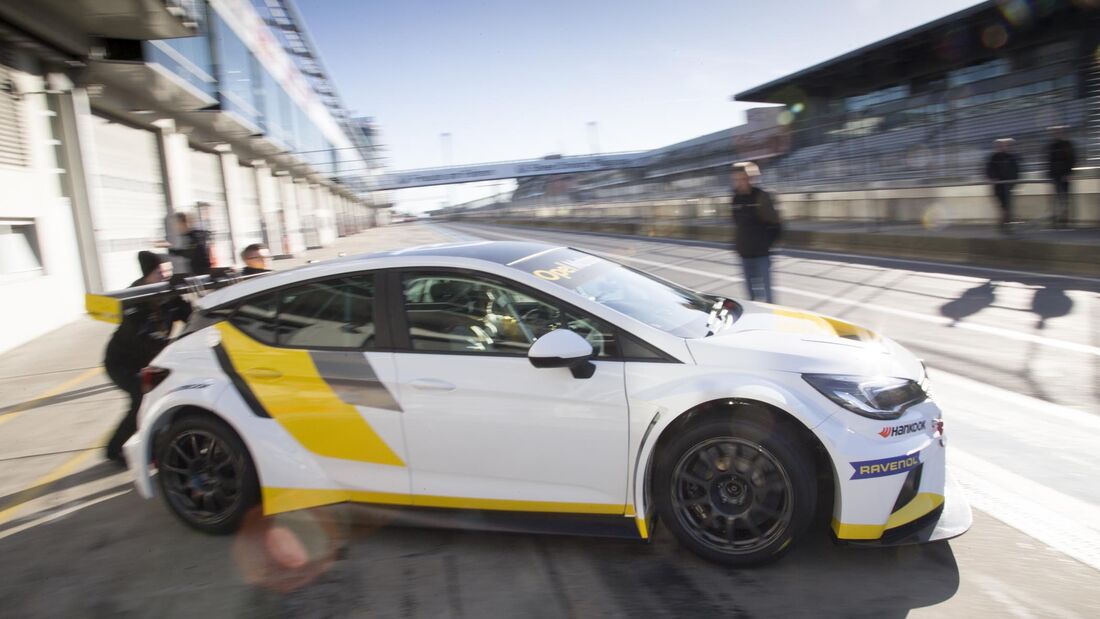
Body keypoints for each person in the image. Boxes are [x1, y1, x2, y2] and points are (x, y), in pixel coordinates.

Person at [103, 251, 191, 464]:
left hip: (150, 360)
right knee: (141, 399)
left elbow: (189, 314)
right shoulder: (132, 300)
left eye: (168, 271)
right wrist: (174, 349)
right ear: (147, 274)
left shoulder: (168, 293)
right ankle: (115, 450)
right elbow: (144, 336)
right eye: (161, 272)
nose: (166, 276)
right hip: (123, 363)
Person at [730, 161, 781, 303]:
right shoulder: (735, 199)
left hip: (761, 255)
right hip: (745, 255)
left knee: (768, 297)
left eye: (743, 178)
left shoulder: (762, 196)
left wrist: (765, 245)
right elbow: (737, 223)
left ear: (751, 178)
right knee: (751, 298)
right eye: (737, 179)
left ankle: (771, 322)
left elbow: (776, 224)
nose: (740, 182)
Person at [985, 139, 1020, 234]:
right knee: (1004, 207)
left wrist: (1014, 182)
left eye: (1004, 145)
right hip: (999, 187)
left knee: (1007, 207)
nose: (1003, 147)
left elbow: (1016, 170)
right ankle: (1004, 224)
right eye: (1000, 146)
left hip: (1008, 186)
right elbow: (989, 170)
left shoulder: (1011, 157)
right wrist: (993, 178)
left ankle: (1004, 225)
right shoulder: (994, 157)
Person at [1046, 127, 1076, 229]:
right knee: (1056, 198)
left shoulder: (1067, 145)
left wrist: (1069, 173)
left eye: (1059, 132)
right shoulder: (1052, 146)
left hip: (1064, 175)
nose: (1057, 134)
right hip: (1054, 176)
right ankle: (1056, 219)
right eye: (1055, 132)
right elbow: (1049, 161)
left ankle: (1064, 220)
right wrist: (1049, 175)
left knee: (1065, 198)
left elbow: (1071, 159)